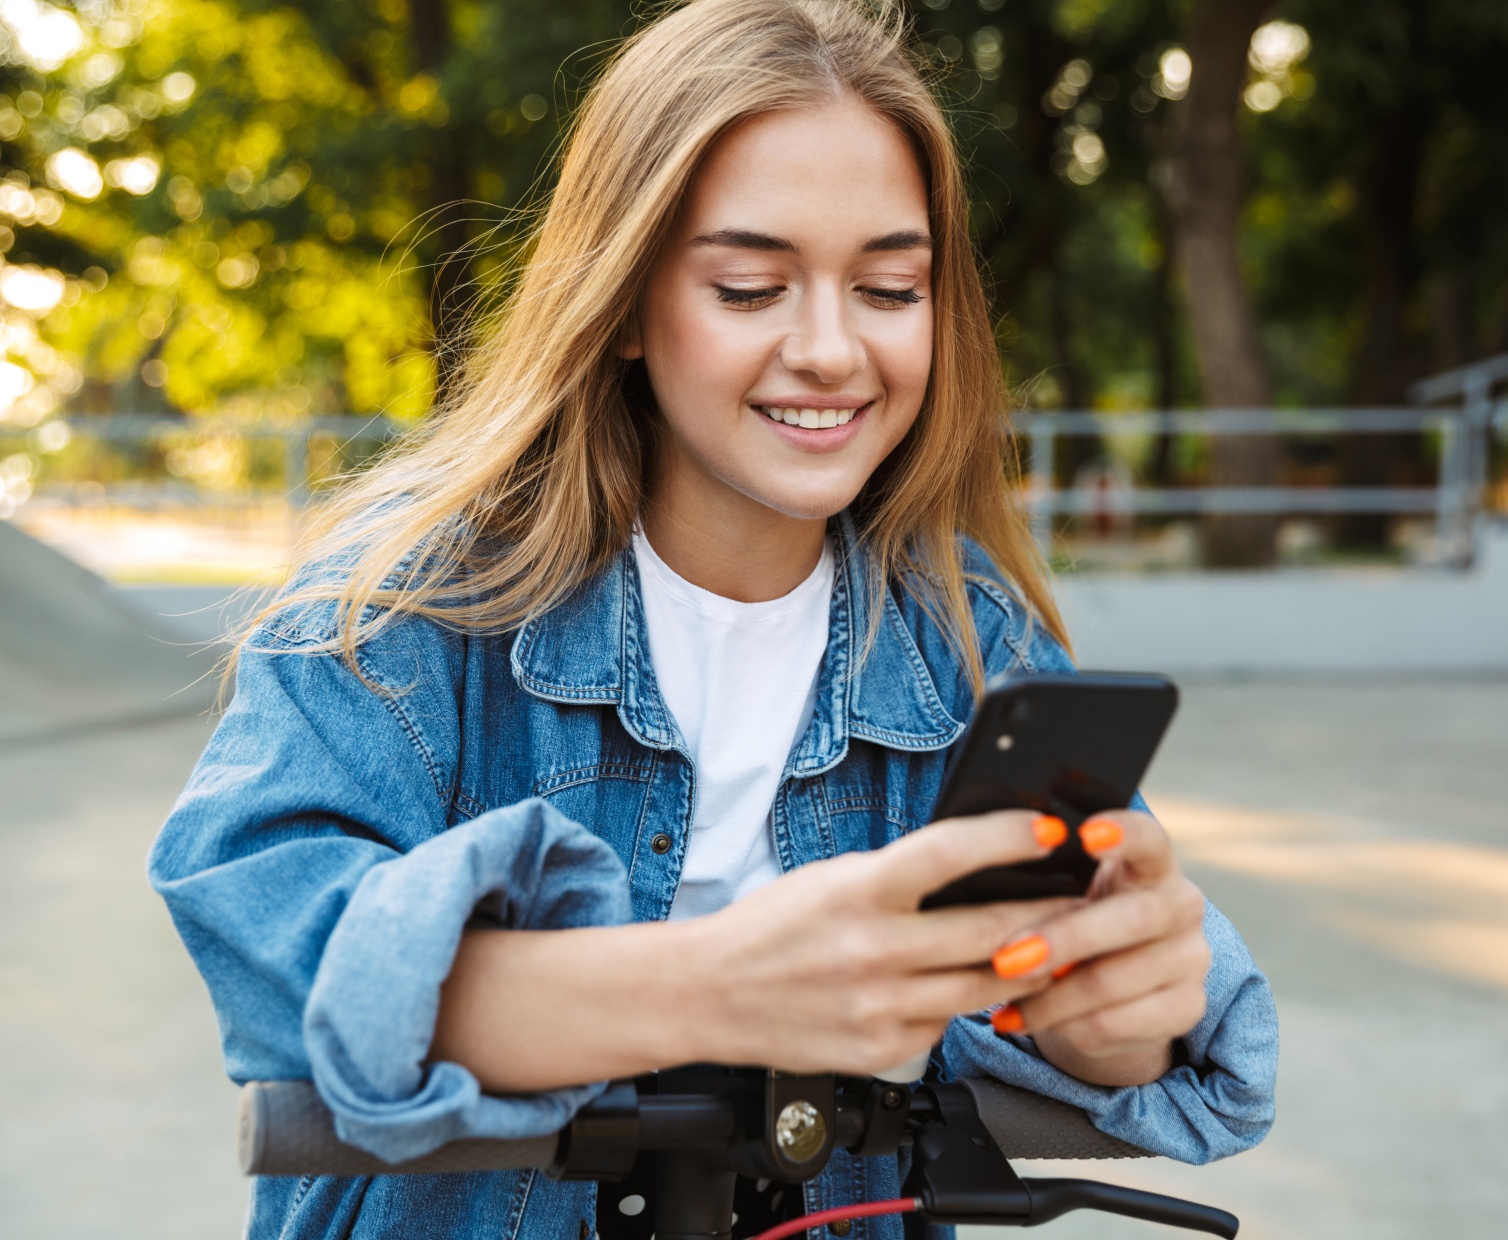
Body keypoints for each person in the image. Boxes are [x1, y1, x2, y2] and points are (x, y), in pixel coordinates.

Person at [149, 1, 1278, 1237]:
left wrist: (1118, 1013)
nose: (833, 349)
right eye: (750, 287)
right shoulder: (403, 611)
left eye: (890, 286)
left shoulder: (972, 638)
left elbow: (1153, 1048)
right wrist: (719, 986)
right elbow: (272, 947)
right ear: (626, 303)